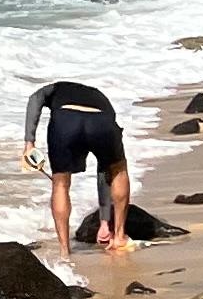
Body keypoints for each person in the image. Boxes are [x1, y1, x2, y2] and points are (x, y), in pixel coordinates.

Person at [22, 78, 131, 256]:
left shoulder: (55, 88)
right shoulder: (99, 96)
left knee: (60, 184)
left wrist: (29, 143)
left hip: (65, 122)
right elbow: (105, 171)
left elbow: (35, 99)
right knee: (117, 170)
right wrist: (104, 222)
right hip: (102, 121)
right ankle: (118, 236)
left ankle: (65, 250)